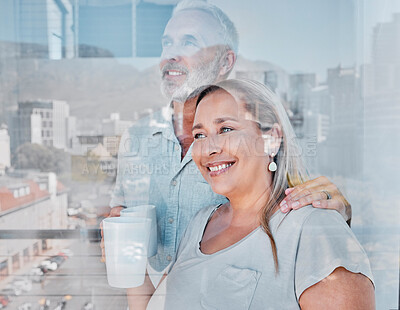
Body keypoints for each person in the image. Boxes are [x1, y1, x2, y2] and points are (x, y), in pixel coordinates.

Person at [102, 0, 352, 302]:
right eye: (166, 43)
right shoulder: (137, 136)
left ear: (225, 61)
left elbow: (306, 201)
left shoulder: (258, 140)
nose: (171, 54)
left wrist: (338, 210)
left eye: (189, 41)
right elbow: (121, 215)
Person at [146, 79, 374, 309]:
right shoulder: (199, 224)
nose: (209, 148)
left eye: (226, 129)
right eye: (199, 135)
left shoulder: (314, 227)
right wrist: (131, 258)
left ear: (271, 138)